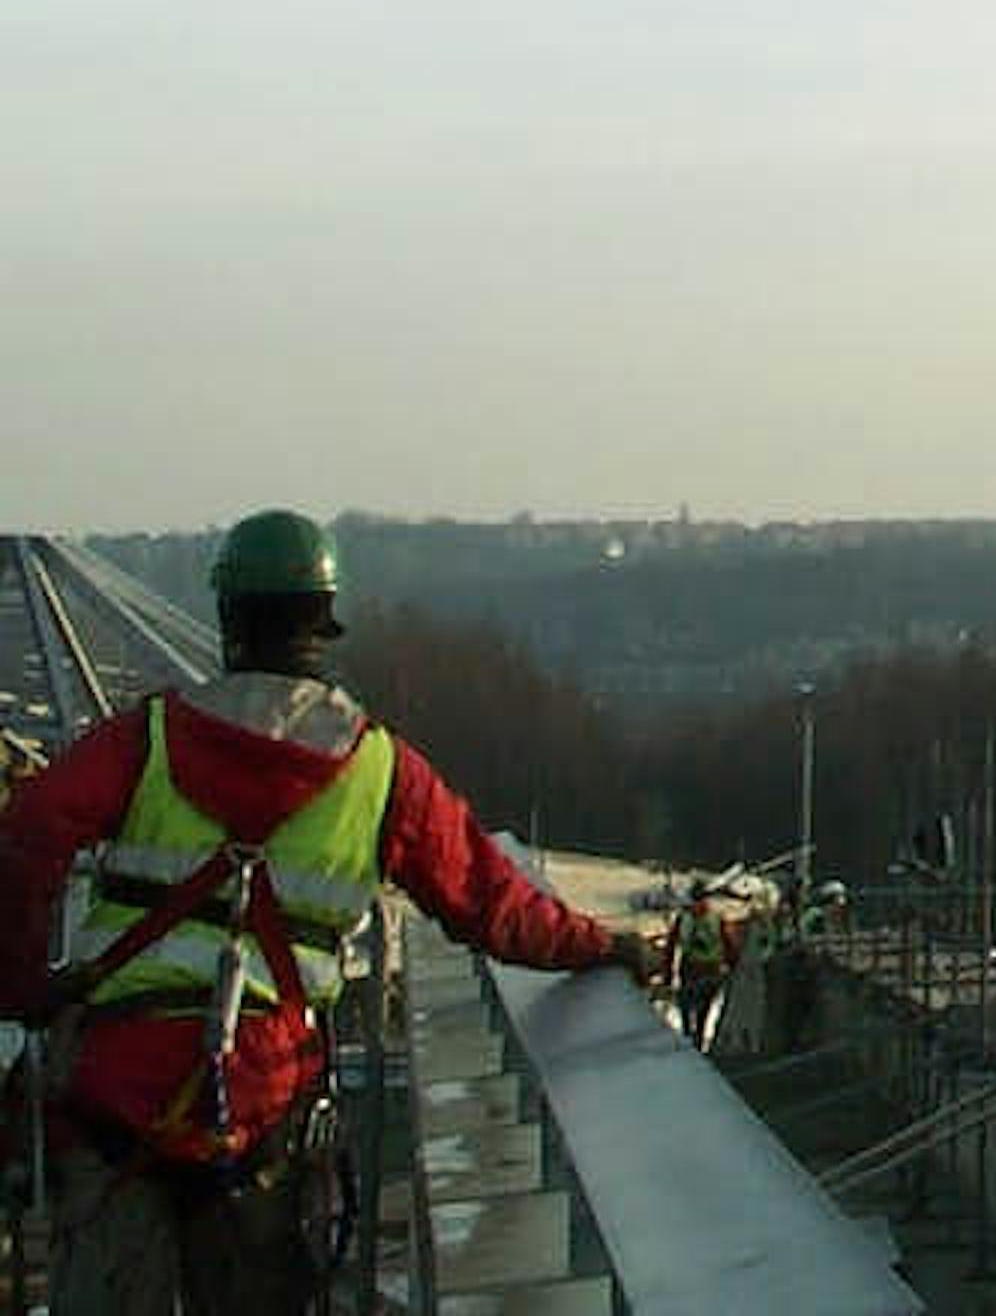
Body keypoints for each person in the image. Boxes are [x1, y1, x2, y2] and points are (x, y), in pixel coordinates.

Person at [0, 508, 652, 1313]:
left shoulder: (149, 740)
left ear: (227, 616)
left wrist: (25, 984)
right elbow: (492, 904)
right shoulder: (379, 770)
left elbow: (27, 835)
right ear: (324, 622)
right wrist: (602, 946)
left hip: (120, 1100)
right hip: (260, 1105)